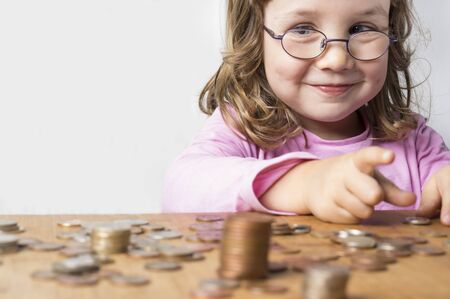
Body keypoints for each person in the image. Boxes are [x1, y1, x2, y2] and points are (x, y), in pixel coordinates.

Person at [163, 0, 450, 225]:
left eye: (361, 28)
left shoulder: (416, 142)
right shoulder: (241, 130)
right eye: (302, 29)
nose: (336, 60)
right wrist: (304, 183)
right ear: (253, 36)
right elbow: (180, 189)